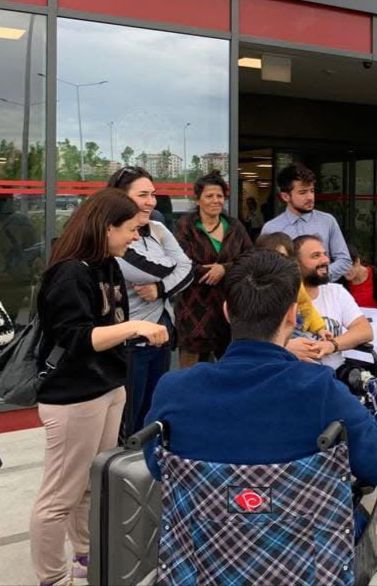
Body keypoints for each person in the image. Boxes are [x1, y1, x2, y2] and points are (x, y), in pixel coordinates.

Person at [143, 250, 377, 534]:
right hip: (305, 550)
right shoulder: (321, 391)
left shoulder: (174, 390)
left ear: (227, 312)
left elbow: (156, 467)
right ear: (293, 315)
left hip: (202, 549)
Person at [29, 189, 168, 586]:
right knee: (61, 496)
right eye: (130, 229)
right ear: (107, 227)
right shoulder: (69, 273)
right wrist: (135, 327)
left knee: (92, 485)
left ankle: (86, 557)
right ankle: (53, 578)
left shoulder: (108, 266)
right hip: (73, 397)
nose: (134, 238)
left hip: (107, 388)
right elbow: (76, 337)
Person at [107, 166, 194, 434]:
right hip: (130, 344)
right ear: (120, 197)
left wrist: (160, 288)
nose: (151, 202)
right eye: (142, 195)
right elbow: (157, 269)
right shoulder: (114, 236)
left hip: (161, 337)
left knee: (154, 417)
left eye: (153, 194)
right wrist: (172, 269)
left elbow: (189, 269)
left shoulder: (157, 228)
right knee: (128, 424)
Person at [175, 170, 253, 367]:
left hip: (228, 308)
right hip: (194, 309)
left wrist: (225, 269)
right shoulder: (186, 226)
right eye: (209, 196)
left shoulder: (235, 227)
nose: (216, 200)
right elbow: (181, 262)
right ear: (198, 199)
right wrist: (209, 272)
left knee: (230, 366)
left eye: (219, 196)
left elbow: (251, 258)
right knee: (191, 372)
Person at [293, 234, 373, 369]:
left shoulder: (336, 292)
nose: (325, 260)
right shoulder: (281, 295)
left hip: (335, 375)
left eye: (325, 254)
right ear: (296, 263)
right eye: (316, 256)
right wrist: (287, 347)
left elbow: (365, 330)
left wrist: (332, 345)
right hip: (296, 374)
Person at [261, 163, 352, 281]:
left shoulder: (327, 221)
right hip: (287, 291)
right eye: (303, 192)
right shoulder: (271, 228)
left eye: (312, 191)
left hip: (322, 288)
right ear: (285, 197)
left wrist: (318, 277)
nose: (310, 197)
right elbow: (265, 268)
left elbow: (344, 260)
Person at [255, 231, 330, 340]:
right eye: (274, 257)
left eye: (285, 257)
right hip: (272, 334)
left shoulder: (295, 281)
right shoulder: (258, 285)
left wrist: (320, 329)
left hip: (297, 328)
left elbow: (307, 306)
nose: (279, 262)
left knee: (312, 341)